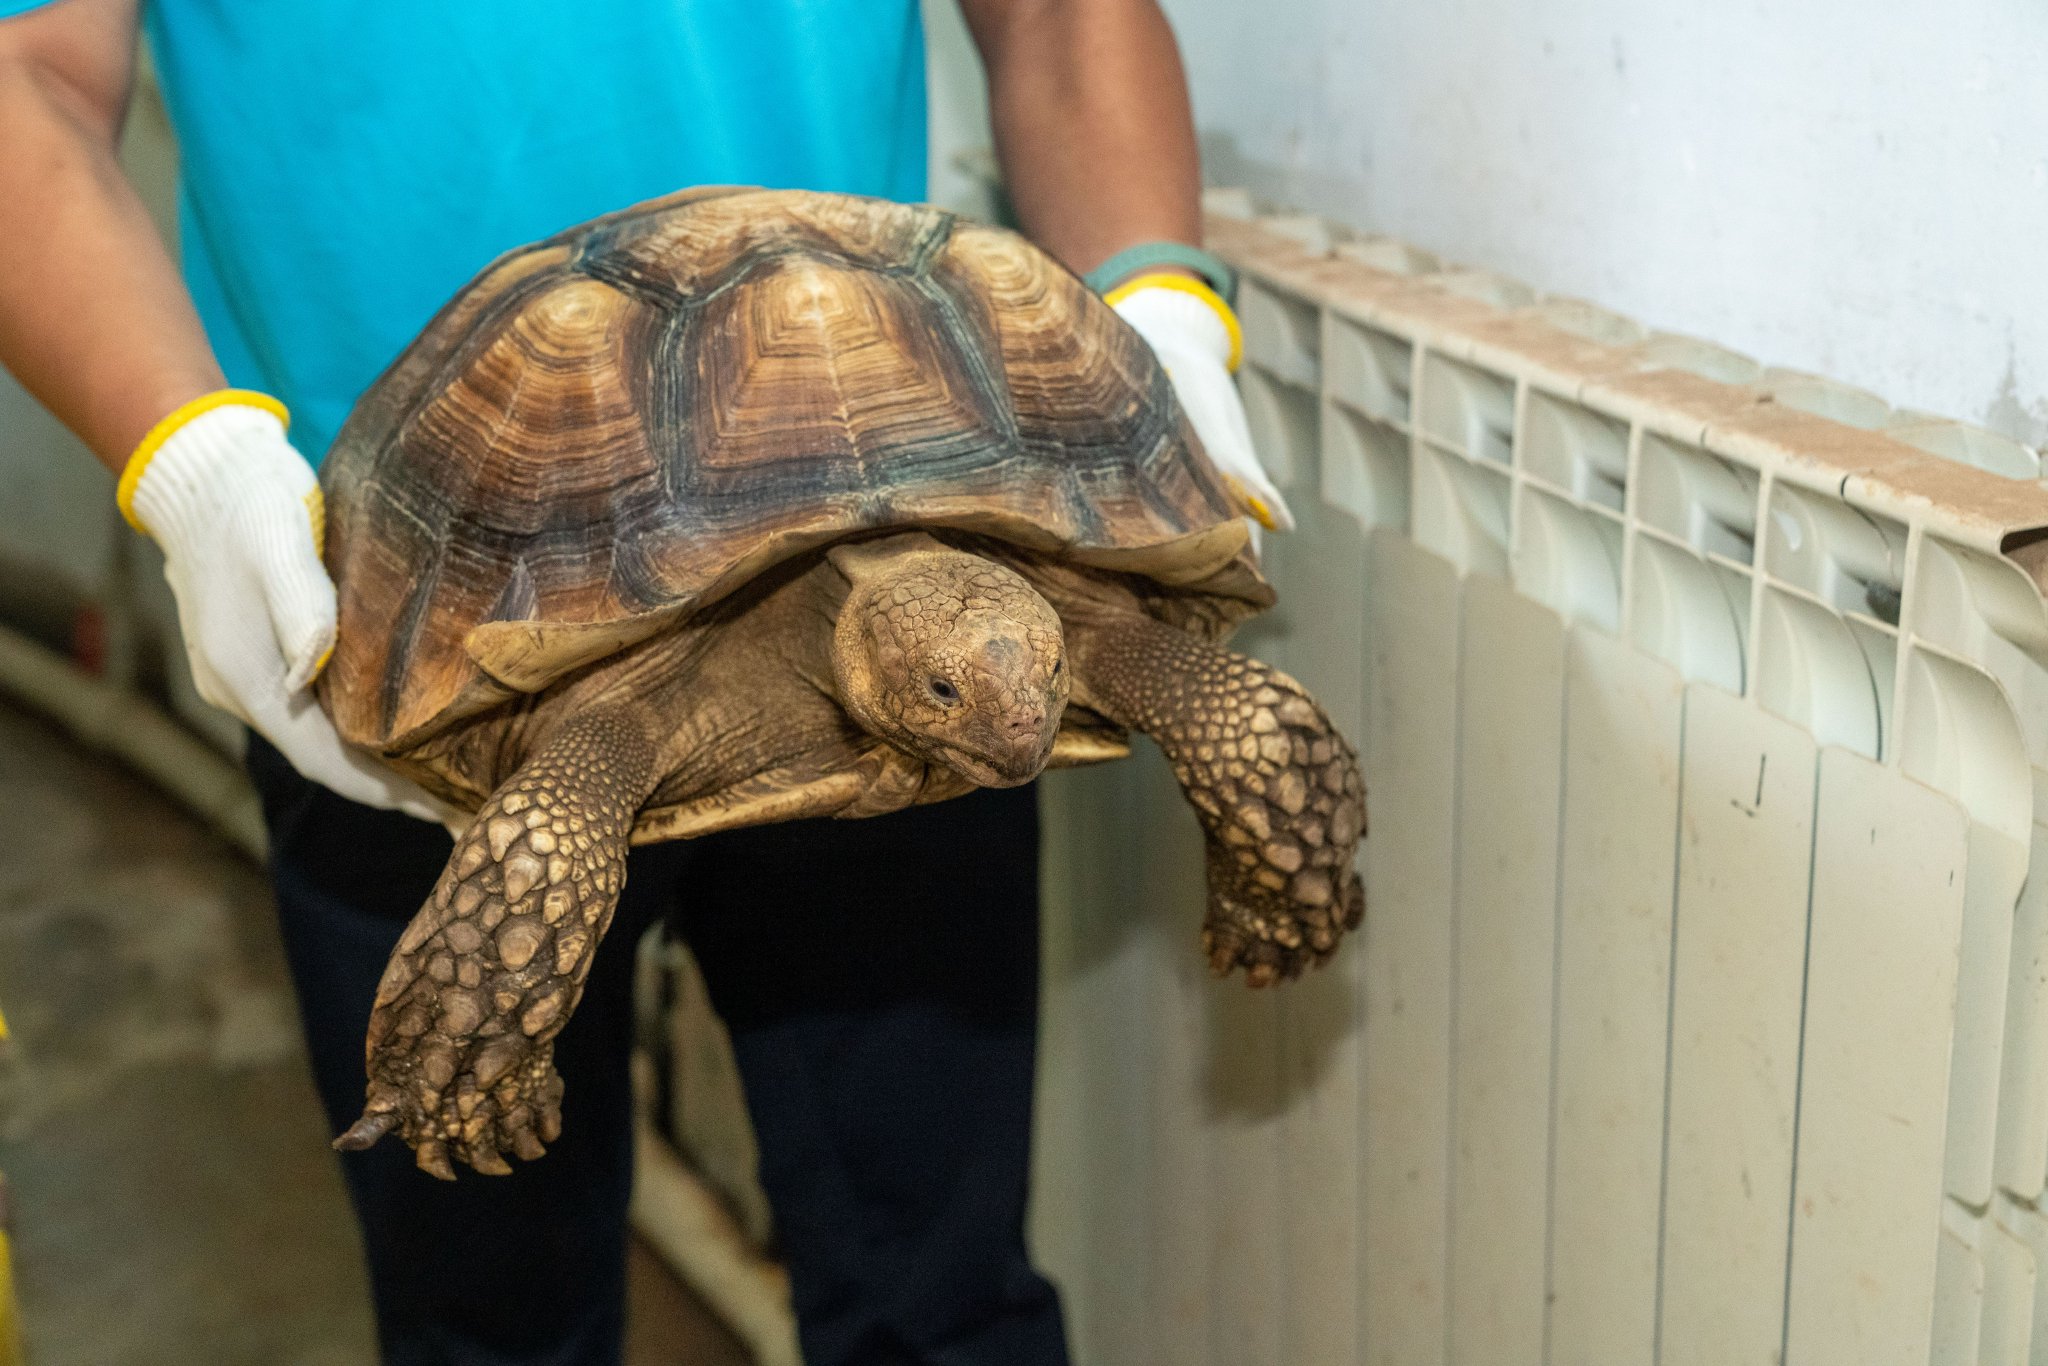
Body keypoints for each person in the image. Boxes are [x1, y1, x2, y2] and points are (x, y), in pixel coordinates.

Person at [0, 2, 1290, 1362]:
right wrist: (194, 467)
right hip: (391, 580)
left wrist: (1159, 304)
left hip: (914, 513)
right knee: (487, 1312)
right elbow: (26, 69)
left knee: (943, 1294)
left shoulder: (972, 670)